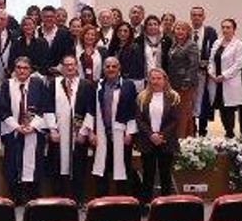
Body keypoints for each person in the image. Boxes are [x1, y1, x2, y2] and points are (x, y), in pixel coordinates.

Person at [0, 56, 51, 204]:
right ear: (14, 69)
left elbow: (45, 107)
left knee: (34, 162)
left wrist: (33, 126)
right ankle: (16, 196)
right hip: (13, 130)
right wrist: (17, 126)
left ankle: (33, 195)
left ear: (30, 70)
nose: (22, 71)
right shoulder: (7, 85)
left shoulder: (38, 84)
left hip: (34, 130)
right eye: (19, 68)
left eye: (25, 68)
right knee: (13, 162)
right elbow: (2, 109)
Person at [81, 56, 138, 198]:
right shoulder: (96, 85)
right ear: (103, 69)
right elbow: (90, 110)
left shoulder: (128, 85)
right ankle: (102, 204)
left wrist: (130, 133)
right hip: (101, 135)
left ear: (119, 68)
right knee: (101, 171)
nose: (111, 69)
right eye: (108, 66)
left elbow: (132, 110)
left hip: (121, 135)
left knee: (123, 170)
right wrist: (91, 132)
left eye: (114, 66)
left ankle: (124, 203)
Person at [48, 55, 94, 203]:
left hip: (78, 133)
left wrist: (84, 132)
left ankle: (77, 200)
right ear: (62, 67)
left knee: (79, 167)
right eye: (66, 65)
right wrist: (52, 130)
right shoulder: (54, 84)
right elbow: (48, 108)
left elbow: (91, 110)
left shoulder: (86, 85)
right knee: (57, 166)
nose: (69, 67)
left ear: (76, 66)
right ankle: (59, 201)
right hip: (59, 133)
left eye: (72, 64)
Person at [135, 67, 181, 202]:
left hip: (166, 141)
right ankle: (146, 204)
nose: (155, 81)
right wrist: (151, 135)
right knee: (148, 175)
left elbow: (175, 120)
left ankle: (165, 205)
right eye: (153, 78)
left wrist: (161, 136)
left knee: (165, 175)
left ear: (165, 79)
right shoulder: (142, 97)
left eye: (159, 78)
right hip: (147, 141)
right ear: (149, 80)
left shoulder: (173, 97)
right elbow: (139, 120)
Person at [207, 19, 242, 138]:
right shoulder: (217, 42)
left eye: (228, 27)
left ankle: (230, 134)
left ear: (234, 29)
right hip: (216, 82)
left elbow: (238, 64)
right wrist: (212, 73)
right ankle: (227, 132)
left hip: (229, 82)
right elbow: (211, 60)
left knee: (229, 109)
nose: (225, 30)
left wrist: (224, 76)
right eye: (223, 27)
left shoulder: (238, 44)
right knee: (221, 108)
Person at [167, 21, 202, 138]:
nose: (180, 31)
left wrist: (186, 82)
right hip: (174, 83)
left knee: (182, 112)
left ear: (188, 32)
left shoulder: (191, 45)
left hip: (185, 84)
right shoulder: (174, 44)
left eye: (183, 29)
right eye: (178, 29)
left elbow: (194, 65)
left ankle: (181, 139)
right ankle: (189, 137)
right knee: (184, 112)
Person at [189, 6, 218, 136]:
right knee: (191, 102)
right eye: (194, 15)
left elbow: (215, 51)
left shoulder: (210, 32)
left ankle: (202, 131)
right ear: (191, 17)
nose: (197, 17)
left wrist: (208, 65)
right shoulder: (186, 31)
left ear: (204, 17)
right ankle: (191, 130)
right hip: (189, 75)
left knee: (203, 102)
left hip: (204, 74)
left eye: (199, 15)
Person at [111, 22, 145, 90]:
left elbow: (137, 69)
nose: (122, 33)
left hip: (131, 82)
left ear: (130, 33)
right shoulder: (114, 46)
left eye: (125, 31)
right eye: (120, 31)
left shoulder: (135, 48)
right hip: (116, 81)